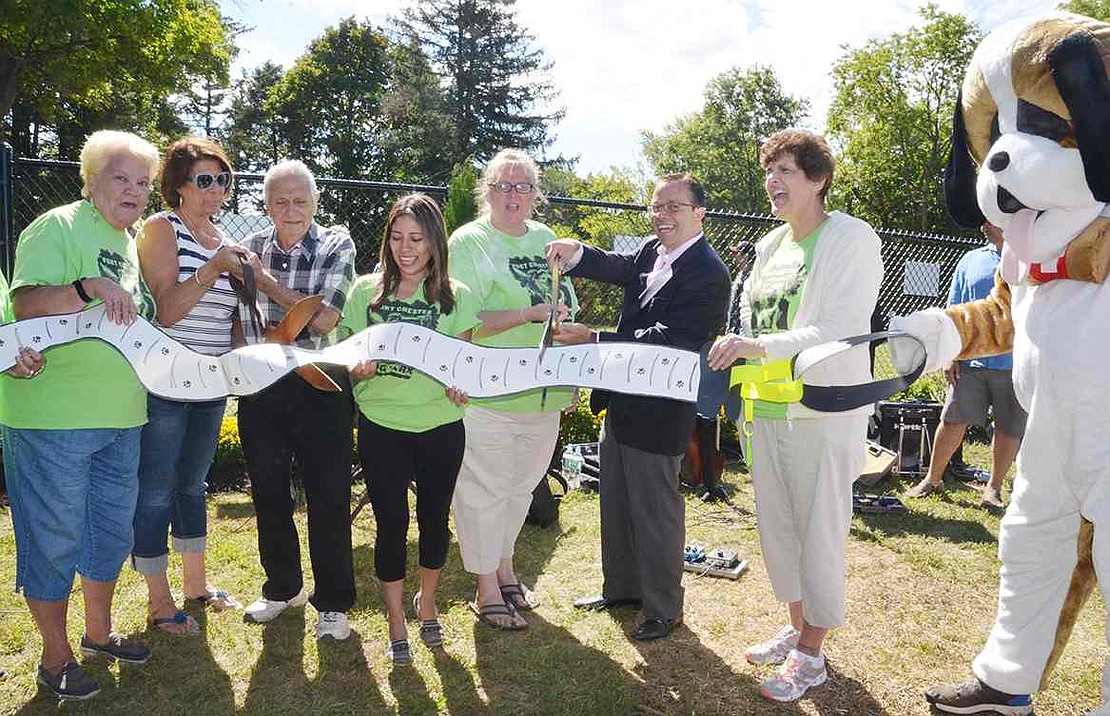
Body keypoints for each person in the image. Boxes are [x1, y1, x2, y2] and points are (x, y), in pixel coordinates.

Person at [706, 129, 882, 701]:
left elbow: (840, 328)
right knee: (780, 532)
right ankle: (796, 623)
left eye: (786, 170)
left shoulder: (851, 238)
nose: (773, 182)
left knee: (819, 531)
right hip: (767, 409)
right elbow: (754, 326)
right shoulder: (767, 247)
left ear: (818, 179)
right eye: (769, 171)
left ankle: (812, 654)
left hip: (822, 411)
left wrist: (756, 349)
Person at [1, 129, 160, 700]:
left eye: (143, 183)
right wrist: (83, 285)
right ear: (90, 179)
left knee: (108, 532)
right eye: (121, 178)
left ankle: (97, 633)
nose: (133, 191)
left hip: (122, 416)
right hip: (53, 417)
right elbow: (25, 305)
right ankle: (54, 656)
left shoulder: (129, 242)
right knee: (54, 536)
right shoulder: (56, 227)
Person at [546, 171, 731, 642]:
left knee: (654, 512)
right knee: (617, 501)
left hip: (663, 409)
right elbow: (620, 266)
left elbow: (674, 341)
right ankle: (622, 590)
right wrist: (578, 251)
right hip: (623, 402)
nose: (662, 216)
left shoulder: (710, 273)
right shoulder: (652, 250)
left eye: (674, 207)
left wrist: (595, 338)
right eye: (656, 206)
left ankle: (663, 609)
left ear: (699, 213)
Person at [339, 194, 479, 663]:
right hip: (383, 425)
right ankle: (396, 617)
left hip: (441, 425)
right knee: (391, 523)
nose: (406, 248)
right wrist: (355, 369)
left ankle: (429, 600)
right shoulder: (365, 292)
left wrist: (462, 386)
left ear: (435, 243)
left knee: (435, 520)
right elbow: (345, 356)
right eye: (397, 238)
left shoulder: (457, 296)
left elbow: (464, 364)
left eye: (416, 239)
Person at [447, 148, 577, 630]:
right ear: (488, 191)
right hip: (489, 392)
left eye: (523, 186)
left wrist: (568, 362)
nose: (513, 195)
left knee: (521, 489)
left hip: (544, 392)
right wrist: (528, 314)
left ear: (535, 194)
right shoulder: (468, 242)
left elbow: (566, 307)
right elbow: (464, 322)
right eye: (503, 185)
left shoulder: (547, 239)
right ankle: (485, 589)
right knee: (484, 489)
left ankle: (504, 568)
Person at [132, 137, 250, 636]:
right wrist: (212, 268)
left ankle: (196, 588)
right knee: (156, 489)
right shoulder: (162, 229)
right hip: (164, 381)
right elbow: (167, 309)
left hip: (209, 383)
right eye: (205, 179)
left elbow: (231, 322)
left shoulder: (224, 239)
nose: (216, 189)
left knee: (192, 485)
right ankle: (159, 602)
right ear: (178, 186)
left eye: (223, 179)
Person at [235, 160, 357, 640]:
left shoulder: (335, 243)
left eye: (300, 200)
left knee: (329, 494)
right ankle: (283, 587)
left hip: (321, 380)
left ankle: (333, 602)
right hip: (261, 380)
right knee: (267, 491)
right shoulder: (246, 248)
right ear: (266, 204)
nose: (291, 209)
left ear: (315, 202)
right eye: (280, 201)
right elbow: (241, 316)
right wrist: (291, 310)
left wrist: (266, 286)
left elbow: (325, 320)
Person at [903, 222, 1025, 509]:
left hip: (1014, 364)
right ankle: (932, 479)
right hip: (970, 362)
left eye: (990, 220)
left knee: (1009, 427)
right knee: (953, 419)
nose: (982, 225)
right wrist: (951, 356)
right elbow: (955, 308)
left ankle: (992, 490)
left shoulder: (1027, 262)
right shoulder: (971, 260)